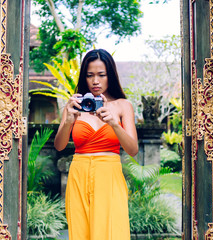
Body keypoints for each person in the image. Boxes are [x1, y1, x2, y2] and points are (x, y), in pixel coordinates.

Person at [54, 49, 138, 240]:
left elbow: (132, 150)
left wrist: (114, 124)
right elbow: (59, 146)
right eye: (90, 75)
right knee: (80, 233)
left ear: (111, 76)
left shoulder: (123, 106)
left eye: (101, 75)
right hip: (78, 175)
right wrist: (68, 120)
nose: (95, 81)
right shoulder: (75, 104)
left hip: (109, 176)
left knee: (111, 232)